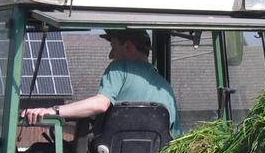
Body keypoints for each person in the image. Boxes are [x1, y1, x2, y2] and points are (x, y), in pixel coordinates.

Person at [21, 28, 182, 136]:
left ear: (128, 47)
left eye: (113, 46)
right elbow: (176, 135)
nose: (111, 55)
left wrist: (54, 111)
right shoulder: (165, 87)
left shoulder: (120, 68)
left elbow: (100, 104)